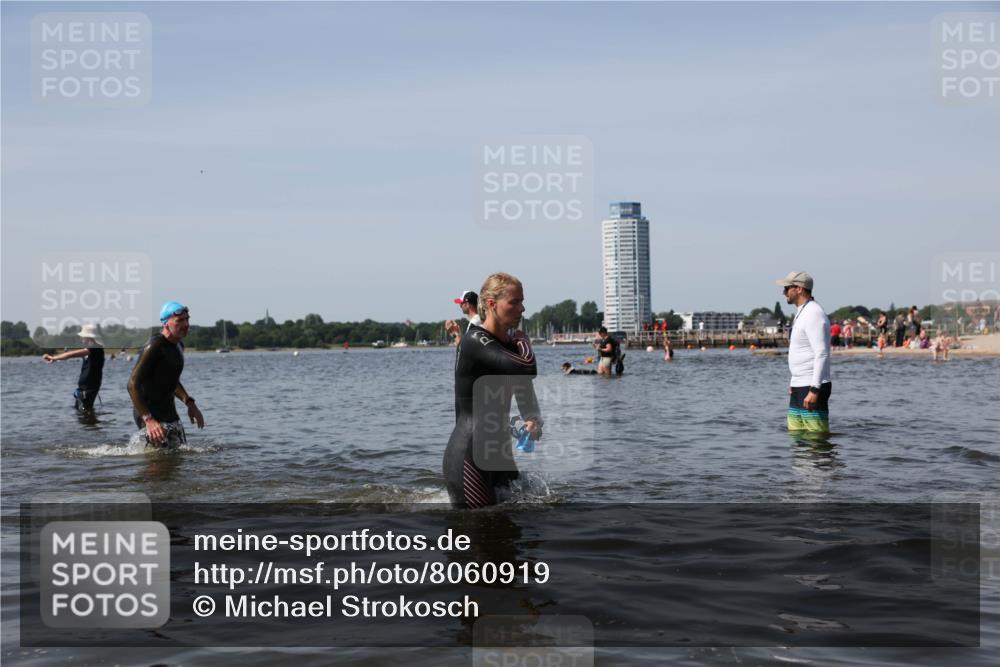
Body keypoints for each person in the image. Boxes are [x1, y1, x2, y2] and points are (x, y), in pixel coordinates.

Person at [443, 273, 542, 509]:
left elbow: (523, 386)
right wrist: (523, 340)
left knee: (514, 530)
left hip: (499, 452)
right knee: (481, 531)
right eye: (514, 302)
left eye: (522, 301)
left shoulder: (507, 346)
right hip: (470, 454)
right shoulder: (473, 340)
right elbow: (527, 367)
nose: (522, 309)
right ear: (491, 304)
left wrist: (533, 419)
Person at [127, 301, 205, 447]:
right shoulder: (154, 346)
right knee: (157, 466)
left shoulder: (179, 345)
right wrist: (148, 420)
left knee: (176, 459)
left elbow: (171, 380)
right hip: (149, 413)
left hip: (170, 413)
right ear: (166, 323)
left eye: (187, 319)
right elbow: (132, 384)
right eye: (179, 320)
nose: (186, 324)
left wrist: (189, 402)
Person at [776, 271, 831, 435]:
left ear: (799, 289)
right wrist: (795, 382)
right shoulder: (802, 312)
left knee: (816, 439)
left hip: (811, 386)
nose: (783, 292)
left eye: (787, 288)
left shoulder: (813, 313)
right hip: (799, 385)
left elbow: (821, 353)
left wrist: (814, 390)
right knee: (797, 437)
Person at [42, 324, 105, 411]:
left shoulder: (95, 348)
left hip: (89, 388)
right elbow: (74, 353)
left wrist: (54, 358)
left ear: (88, 337)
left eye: (82, 336)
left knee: (85, 413)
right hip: (84, 388)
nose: (81, 338)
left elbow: (72, 354)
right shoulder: (90, 349)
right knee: (81, 413)